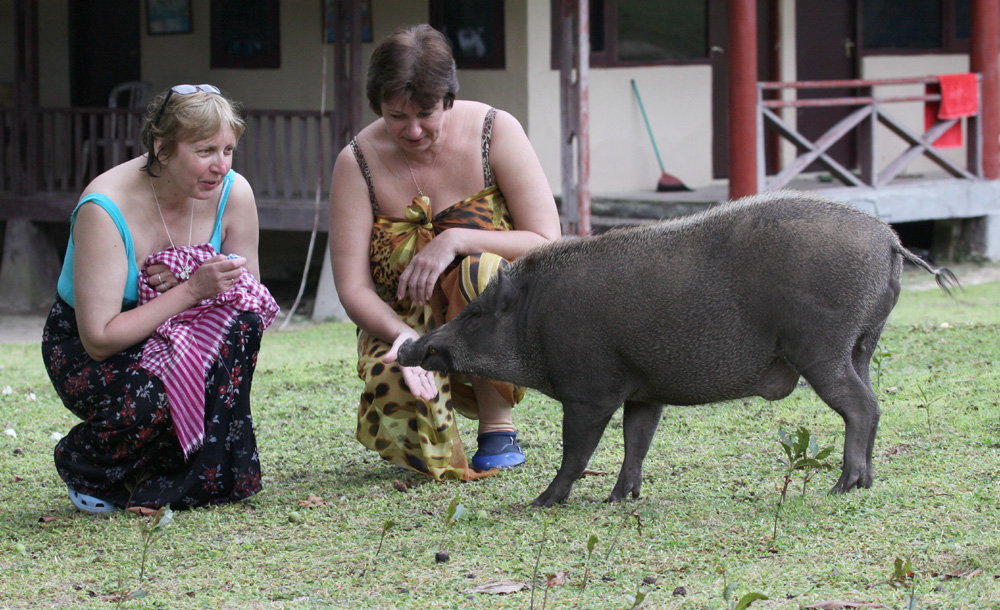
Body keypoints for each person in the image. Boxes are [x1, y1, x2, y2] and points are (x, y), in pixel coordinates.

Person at [328, 25, 561, 481]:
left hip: (495, 311)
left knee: (481, 270)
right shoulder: (356, 161)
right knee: (415, 430)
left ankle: (497, 428)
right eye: (397, 116)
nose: (413, 130)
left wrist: (454, 239)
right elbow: (352, 287)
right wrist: (403, 338)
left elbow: (546, 241)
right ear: (378, 106)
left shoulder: (495, 130)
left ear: (448, 99)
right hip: (402, 317)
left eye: (426, 113)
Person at [41, 84, 278, 513]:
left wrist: (188, 269)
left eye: (228, 150)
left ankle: (188, 472)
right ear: (162, 149)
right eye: (205, 151)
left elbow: (249, 299)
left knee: (240, 328)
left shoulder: (234, 192)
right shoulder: (105, 207)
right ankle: (86, 465)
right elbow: (99, 339)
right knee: (155, 389)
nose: (221, 166)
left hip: (180, 327)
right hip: (90, 345)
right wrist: (192, 290)